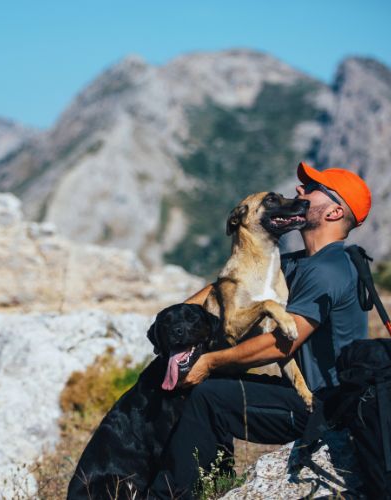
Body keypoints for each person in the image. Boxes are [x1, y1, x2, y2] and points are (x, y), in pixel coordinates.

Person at [148, 161, 373, 499]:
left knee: (209, 396)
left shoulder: (330, 269)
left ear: (334, 211)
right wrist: (180, 323)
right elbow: (226, 289)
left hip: (322, 407)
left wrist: (207, 363)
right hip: (299, 393)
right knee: (214, 389)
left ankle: (168, 495)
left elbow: (279, 346)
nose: (299, 191)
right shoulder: (298, 264)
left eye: (312, 189)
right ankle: (211, 487)